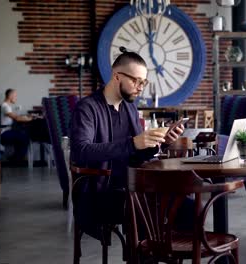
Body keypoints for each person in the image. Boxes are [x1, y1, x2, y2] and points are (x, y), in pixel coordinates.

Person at [70, 47, 185, 237]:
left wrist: (161, 142)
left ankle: (172, 253)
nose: (140, 87)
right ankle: (146, 255)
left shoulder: (129, 108)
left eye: (144, 82)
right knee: (150, 206)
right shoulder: (87, 108)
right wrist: (133, 143)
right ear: (116, 76)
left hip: (132, 186)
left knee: (182, 201)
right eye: (135, 80)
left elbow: (137, 153)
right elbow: (81, 151)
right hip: (100, 193)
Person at [0, 88, 32, 161]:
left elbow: (16, 117)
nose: (16, 98)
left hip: (6, 131)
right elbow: (17, 118)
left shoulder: (6, 106)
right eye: (15, 96)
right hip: (4, 133)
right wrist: (31, 118)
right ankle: (18, 158)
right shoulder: (5, 106)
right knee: (24, 136)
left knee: (22, 133)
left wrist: (26, 117)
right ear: (10, 95)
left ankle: (16, 157)